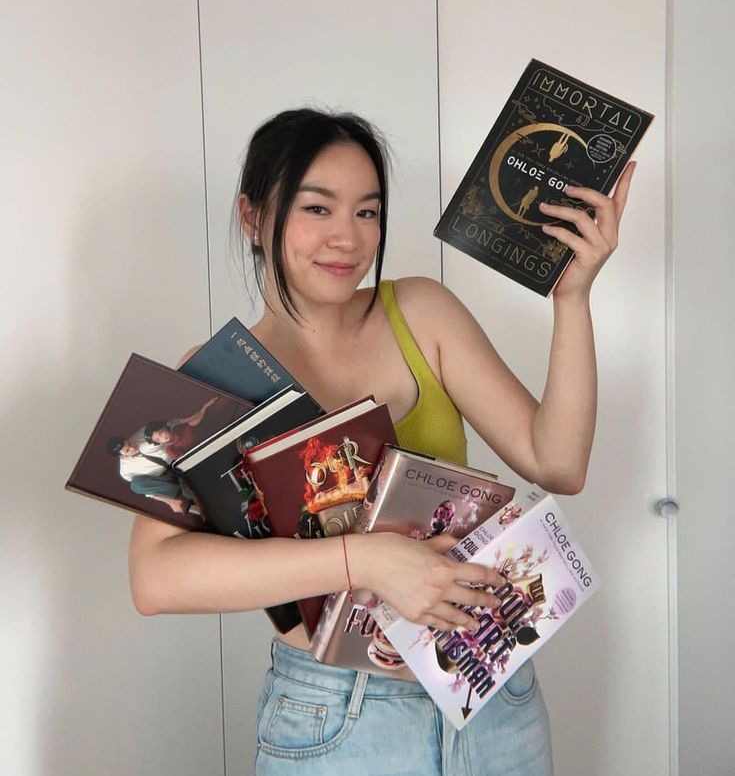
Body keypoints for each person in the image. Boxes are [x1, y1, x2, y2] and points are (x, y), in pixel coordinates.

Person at [128, 108, 635, 775]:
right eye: (317, 208)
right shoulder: (205, 377)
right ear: (252, 217)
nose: (346, 238)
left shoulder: (420, 311)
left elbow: (558, 463)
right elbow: (154, 579)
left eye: (367, 213)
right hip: (338, 714)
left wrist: (572, 299)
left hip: (488, 690)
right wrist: (364, 562)